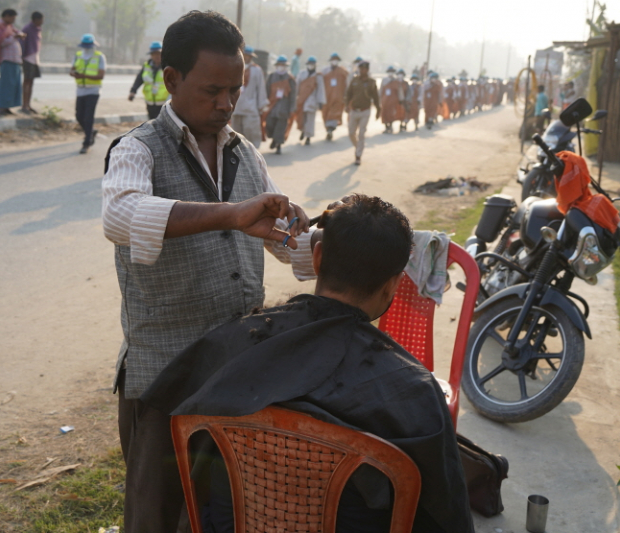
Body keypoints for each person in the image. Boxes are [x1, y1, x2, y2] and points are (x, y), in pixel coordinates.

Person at [142, 194, 472, 533]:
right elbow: (446, 513)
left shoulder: (230, 344)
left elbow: (166, 435)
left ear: (316, 258)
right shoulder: (413, 389)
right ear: (392, 286)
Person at [101, 10, 314, 533]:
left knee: (221, 509)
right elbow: (121, 216)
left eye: (235, 91)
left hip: (234, 375)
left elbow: (287, 246)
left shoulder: (245, 155)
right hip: (165, 379)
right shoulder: (137, 150)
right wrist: (230, 214)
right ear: (171, 80)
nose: (225, 104)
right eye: (212, 90)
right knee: (157, 513)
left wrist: (323, 242)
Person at [70, 33, 106, 154]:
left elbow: (101, 75)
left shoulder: (99, 57)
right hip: (80, 89)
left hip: (93, 90)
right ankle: (90, 132)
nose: (87, 48)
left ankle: (86, 143)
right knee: (79, 115)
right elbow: (72, 69)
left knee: (88, 116)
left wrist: (84, 75)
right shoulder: (78, 55)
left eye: (89, 46)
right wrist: (73, 73)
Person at [345, 60, 380, 165]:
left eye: (364, 69)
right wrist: (346, 105)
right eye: (360, 69)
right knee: (351, 133)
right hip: (354, 110)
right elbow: (348, 94)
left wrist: (379, 109)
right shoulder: (354, 81)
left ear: (367, 70)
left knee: (361, 134)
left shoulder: (371, 83)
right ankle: (358, 147)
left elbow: (376, 97)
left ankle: (358, 156)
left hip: (365, 111)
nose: (362, 71)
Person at [231, 45, 267, 146]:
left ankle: (253, 156)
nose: (246, 57)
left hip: (250, 107)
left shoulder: (257, 70)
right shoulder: (234, 67)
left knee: (251, 133)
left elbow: (261, 88)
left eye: (248, 56)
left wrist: (261, 105)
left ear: (251, 57)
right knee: (236, 135)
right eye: (245, 55)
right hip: (236, 107)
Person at [0, 8, 25, 116]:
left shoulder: (9, 27)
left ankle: (7, 106)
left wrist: (19, 34)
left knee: (13, 85)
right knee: (5, 84)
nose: (13, 20)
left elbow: (17, 31)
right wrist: (15, 37)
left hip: (15, 60)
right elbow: (0, 43)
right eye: (12, 18)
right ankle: (0, 106)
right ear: (6, 16)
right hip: (7, 59)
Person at [264, 54, 296, 155]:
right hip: (271, 107)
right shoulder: (271, 76)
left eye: (283, 65)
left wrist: (292, 109)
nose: (281, 66)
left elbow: (293, 96)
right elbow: (266, 91)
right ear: (276, 65)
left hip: (284, 108)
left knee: (280, 128)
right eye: (279, 64)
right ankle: (274, 139)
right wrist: (264, 105)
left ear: (286, 66)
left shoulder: (290, 79)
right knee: (269, 125)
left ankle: (278, 145)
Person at [129, 41, 169, 120]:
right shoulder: (146, 66)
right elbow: (139, 79)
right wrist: (133, 91)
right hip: (150, 102)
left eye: (158, 53)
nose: (157, 56)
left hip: (164, 103)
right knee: (152, 124)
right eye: (154, 54)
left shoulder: (167, 67)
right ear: (151, 55)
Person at [294, 55, 326, 145]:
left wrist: (320, 101)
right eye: (309, 64)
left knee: (310, 120)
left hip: (312, 100)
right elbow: (297, 87)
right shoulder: (301, 74)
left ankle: (308, 137)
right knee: (301, 118)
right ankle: (303, 131)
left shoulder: (318, 76)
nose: (310, 65)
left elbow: (321, 89)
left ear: (315, 65)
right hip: (301, 100)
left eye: (312, 64)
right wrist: (294, 98)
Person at [321, 53, 349, 141]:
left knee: (334, 114)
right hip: (326, 97)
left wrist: (346, 95)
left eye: (336, 60)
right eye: (333, 59)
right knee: (325, 114)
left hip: (338, 97)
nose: (334, 61)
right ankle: (328, 129)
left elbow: (347, 84)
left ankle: (330, 129)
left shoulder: (343, 71)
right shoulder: (325, 71)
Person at [20, 11, 44, 115]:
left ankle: (28, 105)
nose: (42, 22)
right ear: (35, 20)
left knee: (31, 82)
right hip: (28, 57)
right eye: (41, 19)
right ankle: (24, 105)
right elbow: (22, 43)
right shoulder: (27, 29)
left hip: (35, 57)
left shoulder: (37, 30)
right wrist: (22, 57)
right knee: (27, 81)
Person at [380, 65, 404, 134]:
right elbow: (381, 90)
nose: (391, 73)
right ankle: (386, 126)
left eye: (392, 72)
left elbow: (400, 91)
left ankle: (390, 126)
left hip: (393, 101)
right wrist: (379, 99)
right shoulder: (384, 80)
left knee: (391, 114)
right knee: (384, 113)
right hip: (385, 100)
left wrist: (401, 99)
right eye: (389, 72)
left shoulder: (396, 81)